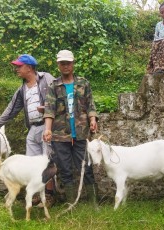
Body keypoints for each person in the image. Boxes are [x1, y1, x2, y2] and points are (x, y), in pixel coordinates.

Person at [0, 54, 56, 207]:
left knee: (47, 161)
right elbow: (11, 109)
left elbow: (59, 96)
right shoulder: (22, 90)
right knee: (32, 163)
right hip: (32, 129)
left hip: (47, 126)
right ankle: (38, 195)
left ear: (29, 67)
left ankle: (50, 196)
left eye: (19, 66)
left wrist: (48, 109)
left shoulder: (47, 79)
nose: (16, 69)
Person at [43, 50, 99, 207]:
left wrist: (93, 120)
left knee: (86, 168)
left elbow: (90, 104)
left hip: (81, 133)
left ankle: (94, 203)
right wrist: (47, 129)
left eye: (68, 63)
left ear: (73, 64)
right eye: (62, 63)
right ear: (58, 65)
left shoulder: (83, 83)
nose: (65, 66)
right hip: (60, 135)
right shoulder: (53, 86)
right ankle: (71, 204)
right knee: (65, 171)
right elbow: (49, 110)